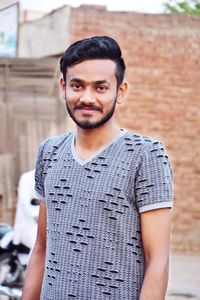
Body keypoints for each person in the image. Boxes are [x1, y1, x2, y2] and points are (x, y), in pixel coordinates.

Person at [22, 36, 173, 300]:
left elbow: (157, 261)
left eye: (100, 88)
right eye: (77, 86)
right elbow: (42, 249)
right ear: (63, 87)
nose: (87, 98)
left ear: (120, 91)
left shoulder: (145, 155)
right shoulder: (49, 152)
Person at [13, 169, 39, 250]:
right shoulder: (27, 178)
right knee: (40, 247)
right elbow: (24, 202)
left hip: (43, 226)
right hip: (28, 226)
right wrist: (35, 215)